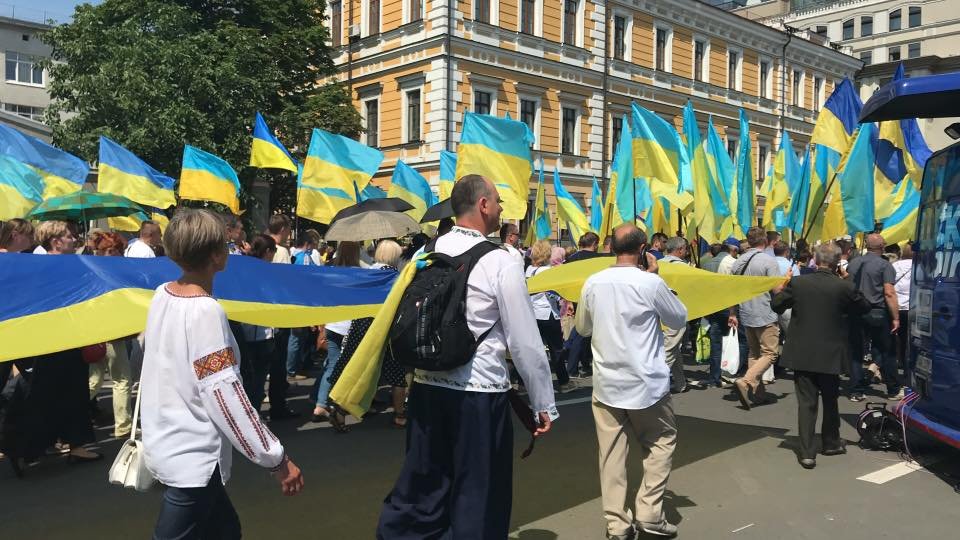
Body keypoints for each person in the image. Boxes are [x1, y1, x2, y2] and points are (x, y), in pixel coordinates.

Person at [377, 175, 557, 539]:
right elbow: (524, 340)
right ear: (484, 205)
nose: (503, 208)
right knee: (478, 493)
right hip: (479, 393)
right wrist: (543, 402)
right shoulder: (501, 259)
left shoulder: (427, 252)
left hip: (427, 387)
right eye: (499, 201)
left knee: (425, 487)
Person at [140, 209, 302, 538]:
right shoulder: (205, 311)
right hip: (192, 457)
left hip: (169, 442)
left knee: (226, 531)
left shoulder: (162, 294)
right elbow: (225, 395)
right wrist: (276, 458)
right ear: (216, 255)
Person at [576, 224, 686, 539]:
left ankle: (617, 524)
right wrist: (656, 275)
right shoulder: (649, 283)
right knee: (660, 443)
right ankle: (650, 511)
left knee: (611, 455)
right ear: (642, 250)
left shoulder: (593, 282)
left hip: (608, 382)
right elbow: (678, 317)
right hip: (646, 383)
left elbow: (583, 328)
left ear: (611, 247)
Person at [8, 221, 102, 473]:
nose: (74, 239)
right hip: (59, 341)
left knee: (59, 393)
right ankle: (32, 445)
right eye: (68, 236)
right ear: (55, 242)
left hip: (59, 340)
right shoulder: (52, 267)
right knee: (63, 393)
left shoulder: (46, 266)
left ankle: (59, 444)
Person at [772, 243, 870, 469]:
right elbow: (863, 307)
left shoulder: (798, 283)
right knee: (830, 398)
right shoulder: (843, 286)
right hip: (831, 352)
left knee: (806, 403)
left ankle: (807, 452)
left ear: (815, 260)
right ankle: (831, 442)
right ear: (837, 263)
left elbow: (777, 305)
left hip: (803, 352)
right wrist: (848, 280)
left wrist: (781, 286)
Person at [328, 240, 409, 430]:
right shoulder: (394, 276)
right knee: (397, 374)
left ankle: (339, 410)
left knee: (355, 368)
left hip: (360, 324)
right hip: (384, 329)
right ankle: (399, 414)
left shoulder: (366, 271)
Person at [728, 227, 790, 410]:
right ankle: (747, 381)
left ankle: (758, 393)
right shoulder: (768, 261)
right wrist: (786, 280)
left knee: (755, 353)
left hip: (746, 311)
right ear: (764, 240)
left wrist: (732, 313)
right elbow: (778, 290)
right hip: (764, 311)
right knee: (770, 353)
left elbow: (732, 290)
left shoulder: (738, 262)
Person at [846, 233, 902, 401]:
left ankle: (856, 390)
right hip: (878, 311)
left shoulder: (854, 264)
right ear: (882, 247)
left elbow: (848, 286)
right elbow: (889, 292)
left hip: (856, 311)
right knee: (887, 351)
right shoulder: (885, 266)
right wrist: (896, 317)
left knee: (856, 352)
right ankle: (893, 389)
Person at [88, 232, 134, 438]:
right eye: (109, 250)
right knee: (119, 380)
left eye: (116, 249)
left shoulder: (92, 271)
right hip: (107, 332)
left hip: (104, 332)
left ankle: (66, 422)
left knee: (95, 380)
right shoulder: (105, 274)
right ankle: (123, 425)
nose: (113, 253)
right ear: (99, 251)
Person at [310, 241, 360, 424]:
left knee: (331, 365)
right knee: (351, 368)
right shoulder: (360, 273)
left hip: (332, 326)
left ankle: (320, 405)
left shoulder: (330, 272)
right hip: (350, 327)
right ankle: (343, 404)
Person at [238, 234, 282, 414]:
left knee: (249, 380)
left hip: (245, 332)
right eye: (274, 251)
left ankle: (249, 416)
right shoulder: (266, 272)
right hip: (261, 333)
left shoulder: (242, 269)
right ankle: (252, 418)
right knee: (256, 381)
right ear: (268, 252)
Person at [526, 240, 576, 394]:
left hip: (532, 314)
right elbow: (554, 294)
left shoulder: (529, 270)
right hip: (548, 314)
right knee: (556, 350)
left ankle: (524, 383)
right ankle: (563, 382)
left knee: (532, 350)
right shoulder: (549, 271)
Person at [661, 237, 690, 394]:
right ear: (680, 250)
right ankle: (656, 382)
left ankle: (681, 383)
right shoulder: (682, 267)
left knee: (674, 349)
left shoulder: (660, 263)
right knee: (670, 349)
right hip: (677, 312)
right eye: (685, 249)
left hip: (661, 312)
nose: (686, 252)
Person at [892, 243, 913, 378]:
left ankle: (896, 362)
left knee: (896, 338)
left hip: (896, 306)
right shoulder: (920, 266)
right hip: (911, 308)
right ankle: (906, 367)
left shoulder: (895, 266)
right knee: (908, 339)